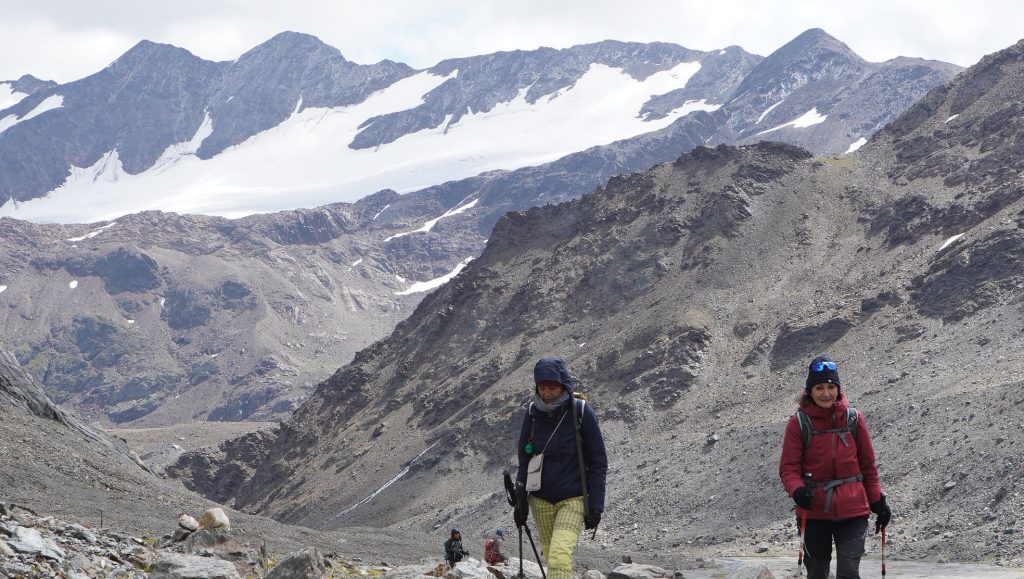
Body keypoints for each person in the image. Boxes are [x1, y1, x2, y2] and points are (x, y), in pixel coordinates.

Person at [779, 356, 892, 579]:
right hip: (813, 511)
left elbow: (868, 467)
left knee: (849, 573)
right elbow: (788, 469)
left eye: (831, 387)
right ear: (809, 391)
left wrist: (877, 501)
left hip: (853, 509)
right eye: (819, 387)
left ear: (838, 390)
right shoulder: (798, 423)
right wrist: (798, 491)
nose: (826, 393)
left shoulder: (854, 419)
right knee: (818, 573)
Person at [516, 357, 608, 579]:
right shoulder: (531, 414)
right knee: (552, 558)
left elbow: (598, 461)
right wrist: (521, 501)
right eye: (542, 388)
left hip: (573, 498)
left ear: (564, 386)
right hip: (540, 500)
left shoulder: (581, 412)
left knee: (559, 555)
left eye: (553, 388)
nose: (547, 393)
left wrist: (596, 505)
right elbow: (524, 459)